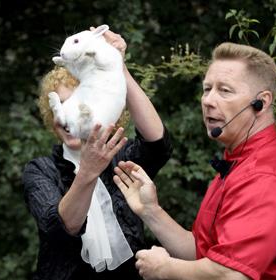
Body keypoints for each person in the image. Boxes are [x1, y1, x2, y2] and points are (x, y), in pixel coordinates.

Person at [113, 42, 276, 279]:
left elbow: (231, 274)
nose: (208, 100)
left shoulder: (266, 176)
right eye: (207, 89)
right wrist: (151, 211)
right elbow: (201, 252)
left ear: (262, 103)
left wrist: (165, 269)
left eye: (225, 90)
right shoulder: (239, 159)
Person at [22, 29, 172, 280]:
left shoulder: (120, 157)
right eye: (61, 105)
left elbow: (158, 145)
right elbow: (61, 226)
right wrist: (88, 172)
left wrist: (119, 67)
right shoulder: (40, 170)